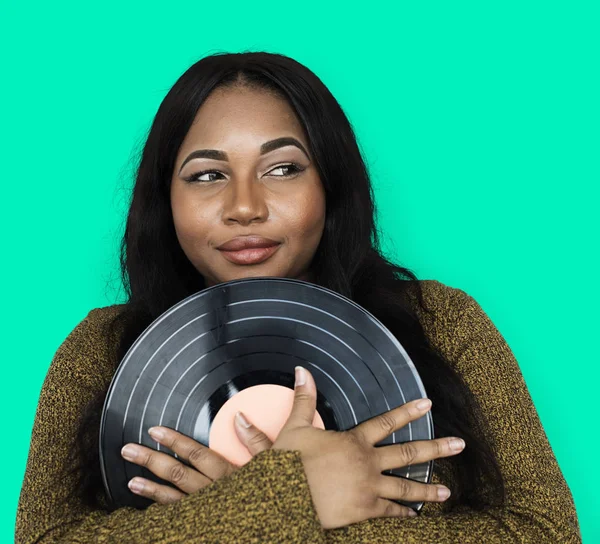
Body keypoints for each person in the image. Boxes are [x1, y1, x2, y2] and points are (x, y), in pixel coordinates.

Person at [15, 51, 581, 543]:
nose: (245, 207)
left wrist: (262, 512)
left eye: (283, 168)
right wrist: (292, 496)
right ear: (166, 201)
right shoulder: (100, 347)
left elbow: (548, 533)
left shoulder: (444, 324)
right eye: (208, 175)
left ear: (330, 186)